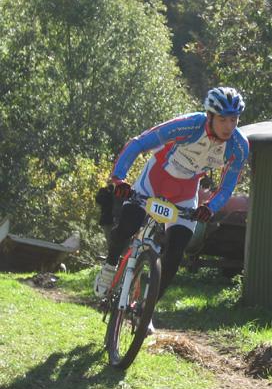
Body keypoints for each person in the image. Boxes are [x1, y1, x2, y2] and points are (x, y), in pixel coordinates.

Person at [93, 87, 250, 326]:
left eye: (233, 119)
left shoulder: (238, 146)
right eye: (222, 119)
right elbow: (138, 144)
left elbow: (226, 187)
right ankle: (110, 264)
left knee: (176, 250)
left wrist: (210, 207)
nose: (229, 126)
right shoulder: (188, 125)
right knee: (128, 224)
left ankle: (146, 311)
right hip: (154, 181)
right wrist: (119, 179)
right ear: (209, 116)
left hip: (185, 193)